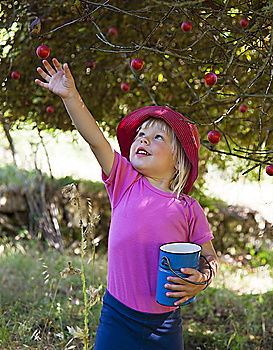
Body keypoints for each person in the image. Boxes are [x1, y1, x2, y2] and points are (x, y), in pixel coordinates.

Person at [35, 58, 219, 350]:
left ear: (179, 160)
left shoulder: (189, 209)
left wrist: (202, 279)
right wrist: (71, 97)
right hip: (118, 317)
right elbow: (96, 140)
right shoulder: (125, 182)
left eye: (158, 136)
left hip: (166, 324)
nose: (143, 139)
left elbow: (209, 259)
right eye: (141, 135)